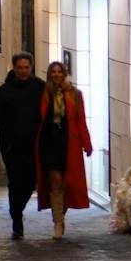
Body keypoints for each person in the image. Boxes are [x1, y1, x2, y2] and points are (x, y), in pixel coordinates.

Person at [0, 52, 44, 240]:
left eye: (26, 67)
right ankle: (17, 220)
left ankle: (16, 209)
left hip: (34, 145)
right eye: (20, 67)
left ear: (31, 68)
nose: (23, 71)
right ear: (14, 68)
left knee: (30, 182)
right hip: (12, 145)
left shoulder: (40, 88)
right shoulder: (4, 92)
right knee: (15, 182)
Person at [36, 59, 93, 239]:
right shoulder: (44, 93)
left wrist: (87, 143)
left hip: (69, 143)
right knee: (55, 182)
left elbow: (80, 120)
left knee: (68, 184)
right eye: (53, 72)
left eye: (59, 71)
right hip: (49, 142)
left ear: (65, 74)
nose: (56, 75)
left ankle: (60, 214)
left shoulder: (75, 94)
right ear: (49, 74)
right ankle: (57, 223)